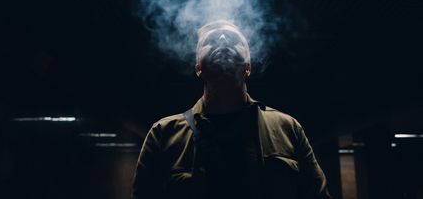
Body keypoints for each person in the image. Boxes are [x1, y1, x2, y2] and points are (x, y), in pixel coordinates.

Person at [131, 20, 331, 199]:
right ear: (198, 67)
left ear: (248, 67)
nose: (224, 39)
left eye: (235, 39)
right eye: (211, 40)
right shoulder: (163, 133)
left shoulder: (288, 128)